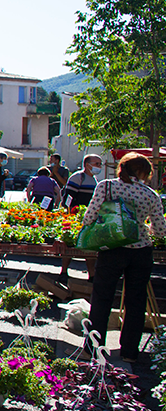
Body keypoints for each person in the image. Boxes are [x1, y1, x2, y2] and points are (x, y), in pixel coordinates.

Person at [81, 153, 166, 365]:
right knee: (136, 301)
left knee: (102, 297)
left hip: (112, 247)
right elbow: (160, 231)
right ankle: (129, 351)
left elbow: (89, 216)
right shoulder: (151, 195)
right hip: (140, 250)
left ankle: (93, 348)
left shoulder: (106, 187)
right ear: (142, 173)